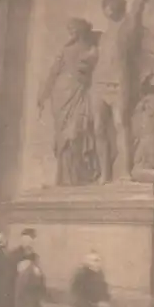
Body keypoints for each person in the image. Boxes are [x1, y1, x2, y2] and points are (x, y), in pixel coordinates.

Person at [91, 0, 150, 184]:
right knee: (98, 128)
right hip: (98, 83)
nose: (108, 7)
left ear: (120, 5)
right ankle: (104, 174)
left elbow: (140, 2)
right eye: (106, 4)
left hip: (119, 82)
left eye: (112, 3)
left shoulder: (129, 24)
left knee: (120, 123)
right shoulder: (103, 34)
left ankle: (125, 171)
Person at [37, 17, 100, 186]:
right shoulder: (67, 50)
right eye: (70, 30)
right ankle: (66, 178)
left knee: (78, 131)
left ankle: (78, 176)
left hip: (78, 92)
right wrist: (43, 95)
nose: (71, 33)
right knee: (65, 134)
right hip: (62, 95)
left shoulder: (93, 48)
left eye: (74, 30)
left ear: (81, 31)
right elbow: (53, 72)